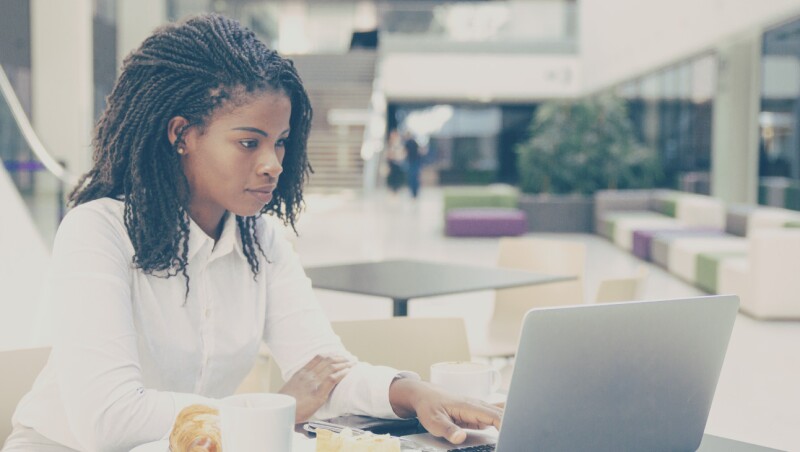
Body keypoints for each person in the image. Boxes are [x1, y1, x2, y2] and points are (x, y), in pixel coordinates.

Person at [2, 14, 501, 452]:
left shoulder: (258, 240)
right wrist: (271, 409)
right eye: (249, 142)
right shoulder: (99, 231)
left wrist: (413, 392)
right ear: (181, 135)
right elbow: (108, 421)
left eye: (281, 143)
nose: (272, 165)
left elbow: (325, 372)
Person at [403, 132, 422, 198]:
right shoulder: (412, 143)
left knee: (413, 178)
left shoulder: (410, 143)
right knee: (413, 178)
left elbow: (405, 152)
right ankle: (414, 193)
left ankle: (414, 193)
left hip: (413, 162)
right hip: (413, 162)